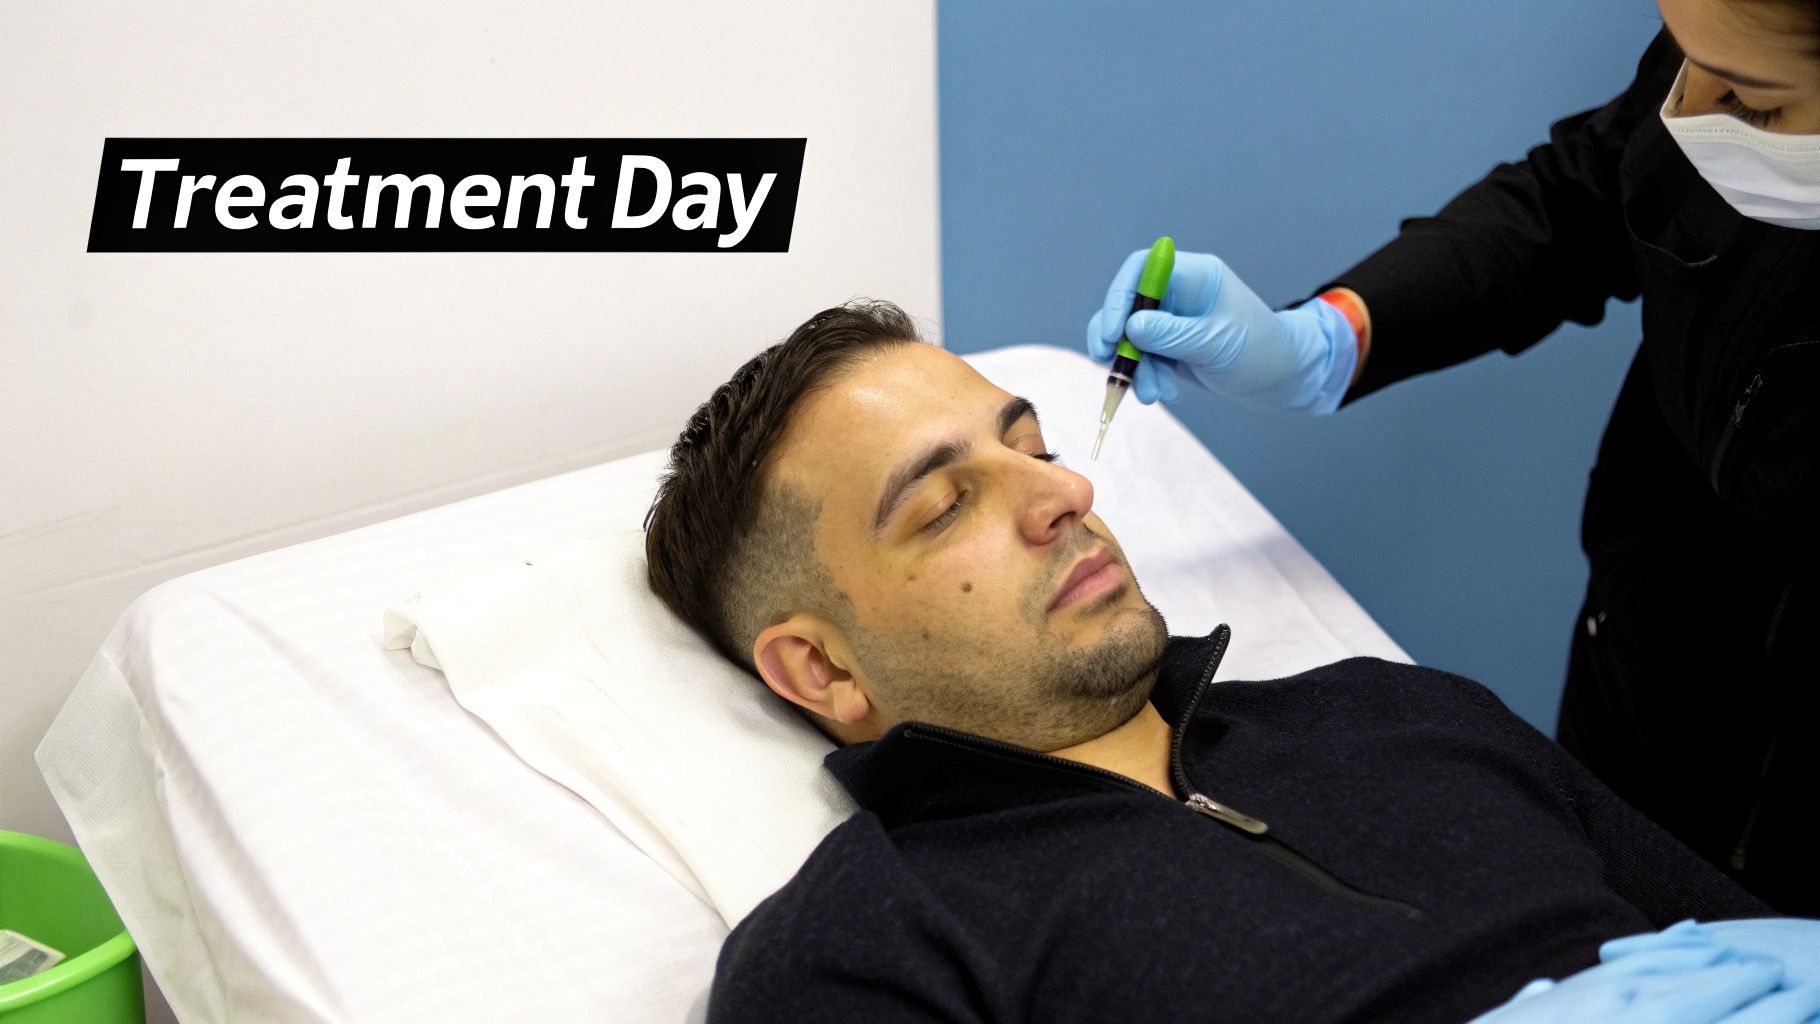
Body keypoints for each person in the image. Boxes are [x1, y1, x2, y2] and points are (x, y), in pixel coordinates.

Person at [641, 301, 1819, 1023]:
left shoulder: (1398, 711)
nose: (1065, 493)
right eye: (947, 504)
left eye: (1035, 447)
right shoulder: (863, 945)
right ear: (822, 669)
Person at [1086, 0, 1819, 916]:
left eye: (1751, 104)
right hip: (1646, 668)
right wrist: (1328, 338)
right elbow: (1585, 191)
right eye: (1681, 58)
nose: (1689, 115)